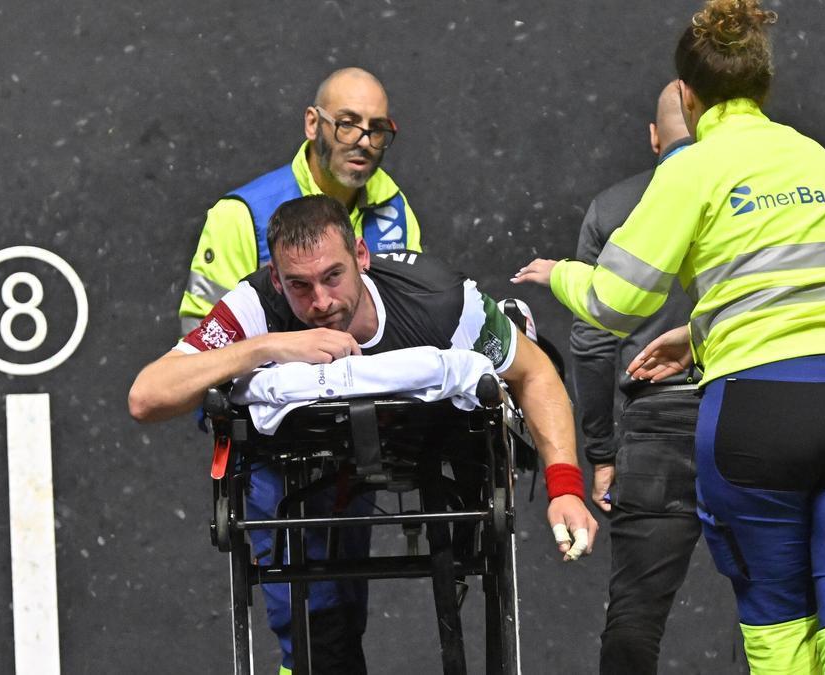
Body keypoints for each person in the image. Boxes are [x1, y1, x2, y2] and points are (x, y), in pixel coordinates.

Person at [513, 1, 825, 672]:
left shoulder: (690, 168)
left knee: (781, 623)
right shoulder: (812, 156)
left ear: (687, 96)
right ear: (765, 87)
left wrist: (562, 274)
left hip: (759, 412)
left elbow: (615, 304)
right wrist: (702, 332)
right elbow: (809, 286)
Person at [131, 195, 597, 674]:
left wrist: (565, 487)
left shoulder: (440, 298)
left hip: (431, 435)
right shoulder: (255, 306)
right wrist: (269, 345)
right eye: (299, 286)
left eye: (333, 275)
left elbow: (536, 373)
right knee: (318, 626)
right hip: (307, 458)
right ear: (276, 279)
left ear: (361, 255)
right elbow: (146, 396)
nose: (321, 302)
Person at [567, 82, 702, 674]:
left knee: (634, 619)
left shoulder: (614, 207)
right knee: (778, 605)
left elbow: (593, 341)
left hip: (654, 433)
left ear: (654, 137)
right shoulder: (749, 196)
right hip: (749, 412)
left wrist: (601, 451)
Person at [178, 67, 422, 335]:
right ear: (313, 123)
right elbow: (203, 349)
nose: (364, 141)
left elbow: (410, 321)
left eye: (376, 128)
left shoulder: (395, 208)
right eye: (348, 123)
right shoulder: (240, 216)